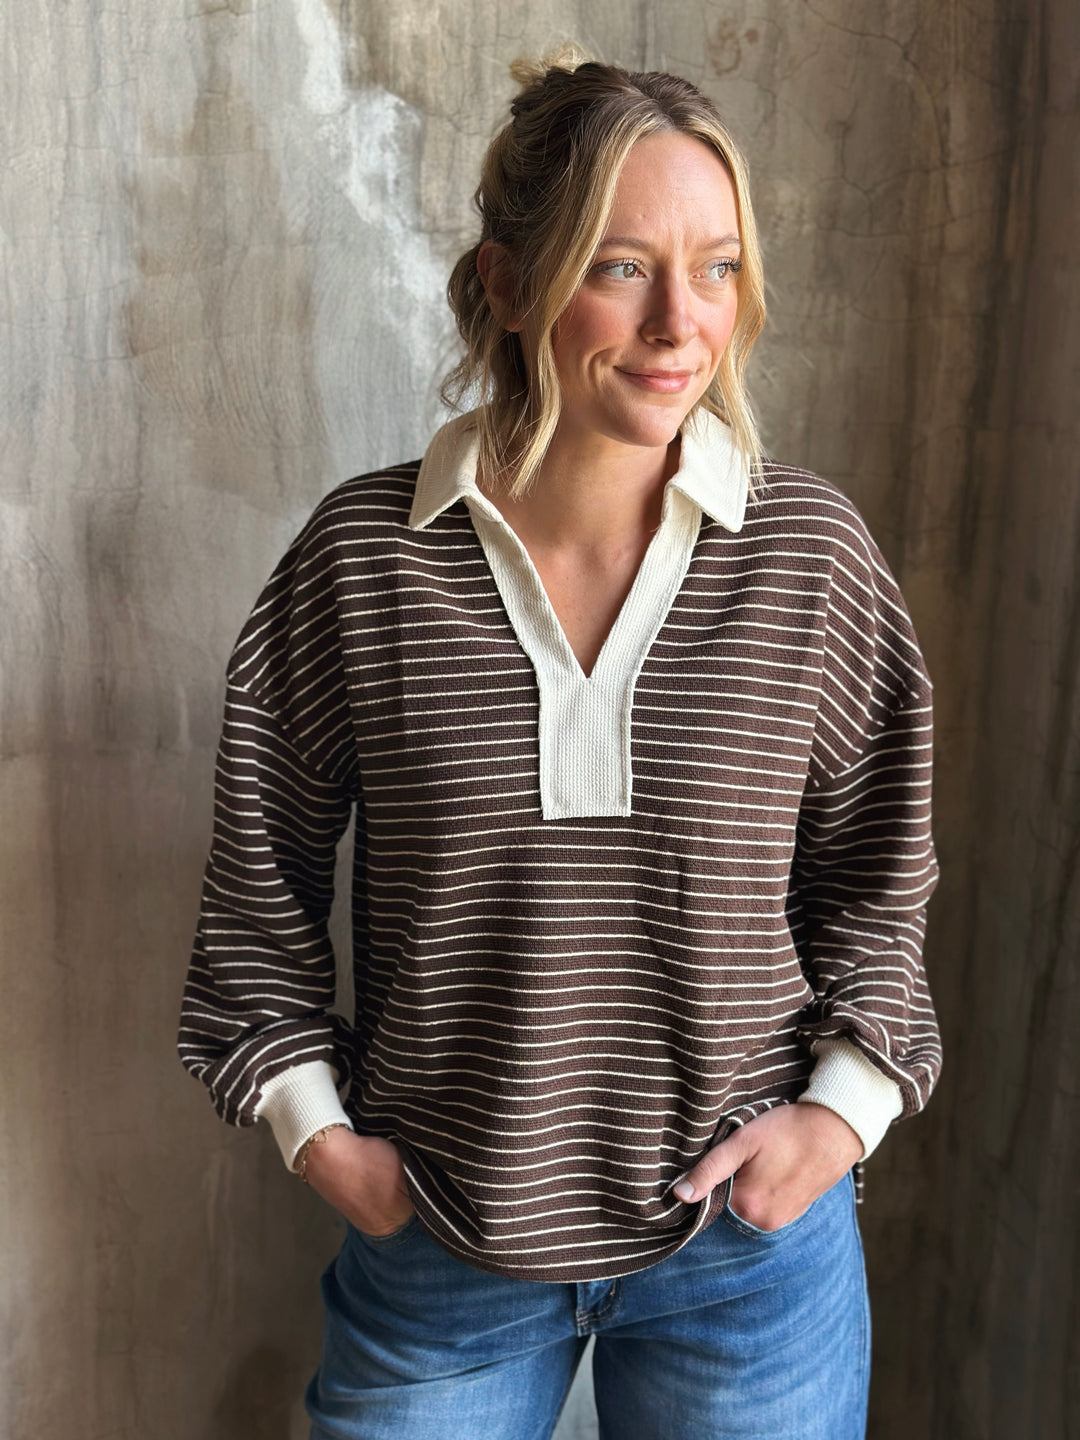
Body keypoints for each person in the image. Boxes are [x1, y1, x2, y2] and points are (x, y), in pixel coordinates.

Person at [179, 50, 940, 1440]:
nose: (678, 323)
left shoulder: (809, 559)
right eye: (621, 265)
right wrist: (321, 1136)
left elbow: (877, 876)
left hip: (749, 1268)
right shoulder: (364, 561)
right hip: (443, 1259)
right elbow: (257, 876)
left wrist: (839, 1118)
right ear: (509, 286)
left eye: (715, 268)